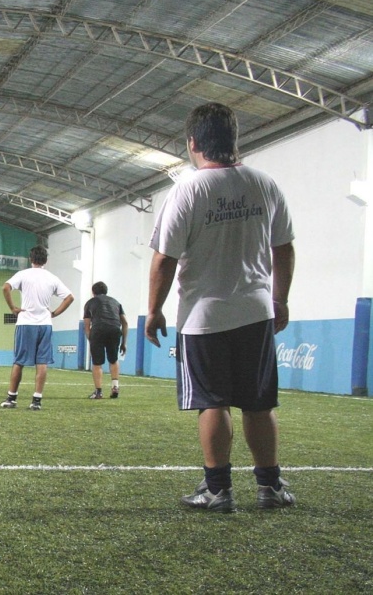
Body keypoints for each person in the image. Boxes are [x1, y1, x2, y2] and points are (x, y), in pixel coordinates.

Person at [145, 102, 296, 512]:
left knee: (212, 401)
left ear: (193, 142)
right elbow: (283, 248)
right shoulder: (264, 184)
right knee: (259, 402)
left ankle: (218, 490)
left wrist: (154, 309)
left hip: (203, 317)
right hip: (255, 310)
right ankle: (270, 487)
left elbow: (164, 258)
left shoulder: (188, 188)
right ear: (233, 139)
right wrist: (279, 298)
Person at [0, 245, 74, 410]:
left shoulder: (23, 275)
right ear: (46, 260)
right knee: (42, 363)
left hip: (26, 323)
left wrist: (12, 308)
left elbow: (5, 287)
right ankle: (36, 401)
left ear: (30, 259)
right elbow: (70, 297)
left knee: (19, 362)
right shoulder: (52, 278)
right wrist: (54, 313)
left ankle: (11, 398)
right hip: (45, 324)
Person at [83, 281, 128, 399]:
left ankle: (98, 392)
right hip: (114, 329)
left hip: (98, 330)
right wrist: (124, 342)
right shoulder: (116, 302)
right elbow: (125, 322)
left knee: (97, 362)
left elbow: (87, 325)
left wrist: (90, 339)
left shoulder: (89, 303)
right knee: (113, 359)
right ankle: (115, 387)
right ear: (106, 291)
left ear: (93, 292)